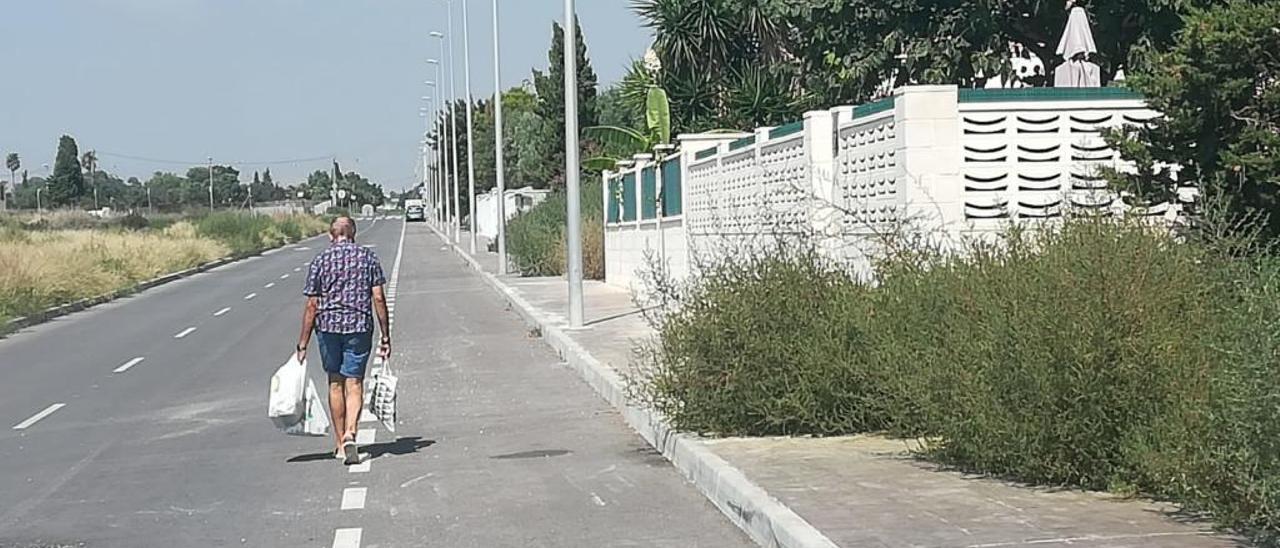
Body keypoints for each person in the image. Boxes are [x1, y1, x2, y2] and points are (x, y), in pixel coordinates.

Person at [295, 217, 391, 465]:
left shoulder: (320, 260)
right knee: (355, 383)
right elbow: (378, 298)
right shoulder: (368, 258)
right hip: (358, 326)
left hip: (327, 328)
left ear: (330, 236)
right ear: (354, 234)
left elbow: (312, 304)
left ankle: (339, 445)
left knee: (335, 383)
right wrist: (386, 334)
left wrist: (303, 343)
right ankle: (351, 432)